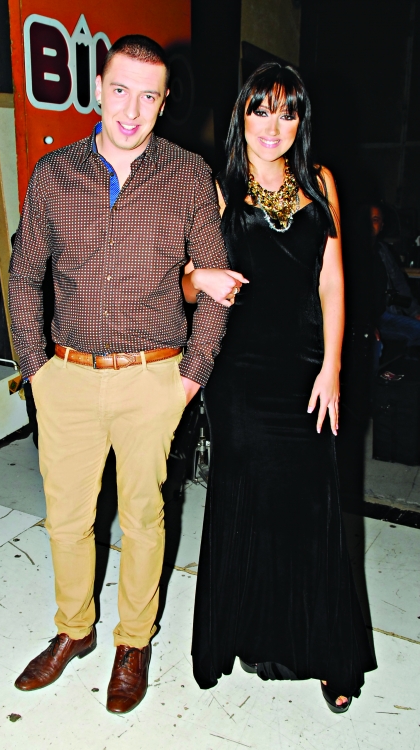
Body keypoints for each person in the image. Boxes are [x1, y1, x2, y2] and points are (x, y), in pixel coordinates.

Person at [8, 34, 232, 714]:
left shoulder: (189, 176)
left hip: (152, 378)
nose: (131, 110)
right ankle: (74, 629)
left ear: (164, 104)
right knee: (66, 519)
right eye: (121, 90)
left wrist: (190, 377)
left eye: (148, 96)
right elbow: (24, 277)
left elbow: (216, 284)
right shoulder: (54, 174)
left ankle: (133, 642)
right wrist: (37, 372)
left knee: (142, 517)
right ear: (99, 91)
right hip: (67, 375)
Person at [183, 63, 376, 713]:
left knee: (313, 505)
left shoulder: (321, 183)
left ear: (301, 121)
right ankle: (234, 634)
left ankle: (327, 651)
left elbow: (332, 281)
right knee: (244, 502)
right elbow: (189, 280)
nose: (274, 125)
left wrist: (333, 366)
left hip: (306, 368)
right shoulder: (218, 188)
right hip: (240, 375)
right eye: (261, 110)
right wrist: (198, 283)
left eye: (287, 112)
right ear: (241, 115)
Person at [371, 204, 420, 347]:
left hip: (384, 316)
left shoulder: (383, 251)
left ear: (382, 225)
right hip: (359, 322)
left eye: (375, 219)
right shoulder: (346, 252)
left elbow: (399, 284)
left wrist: (415, 312)